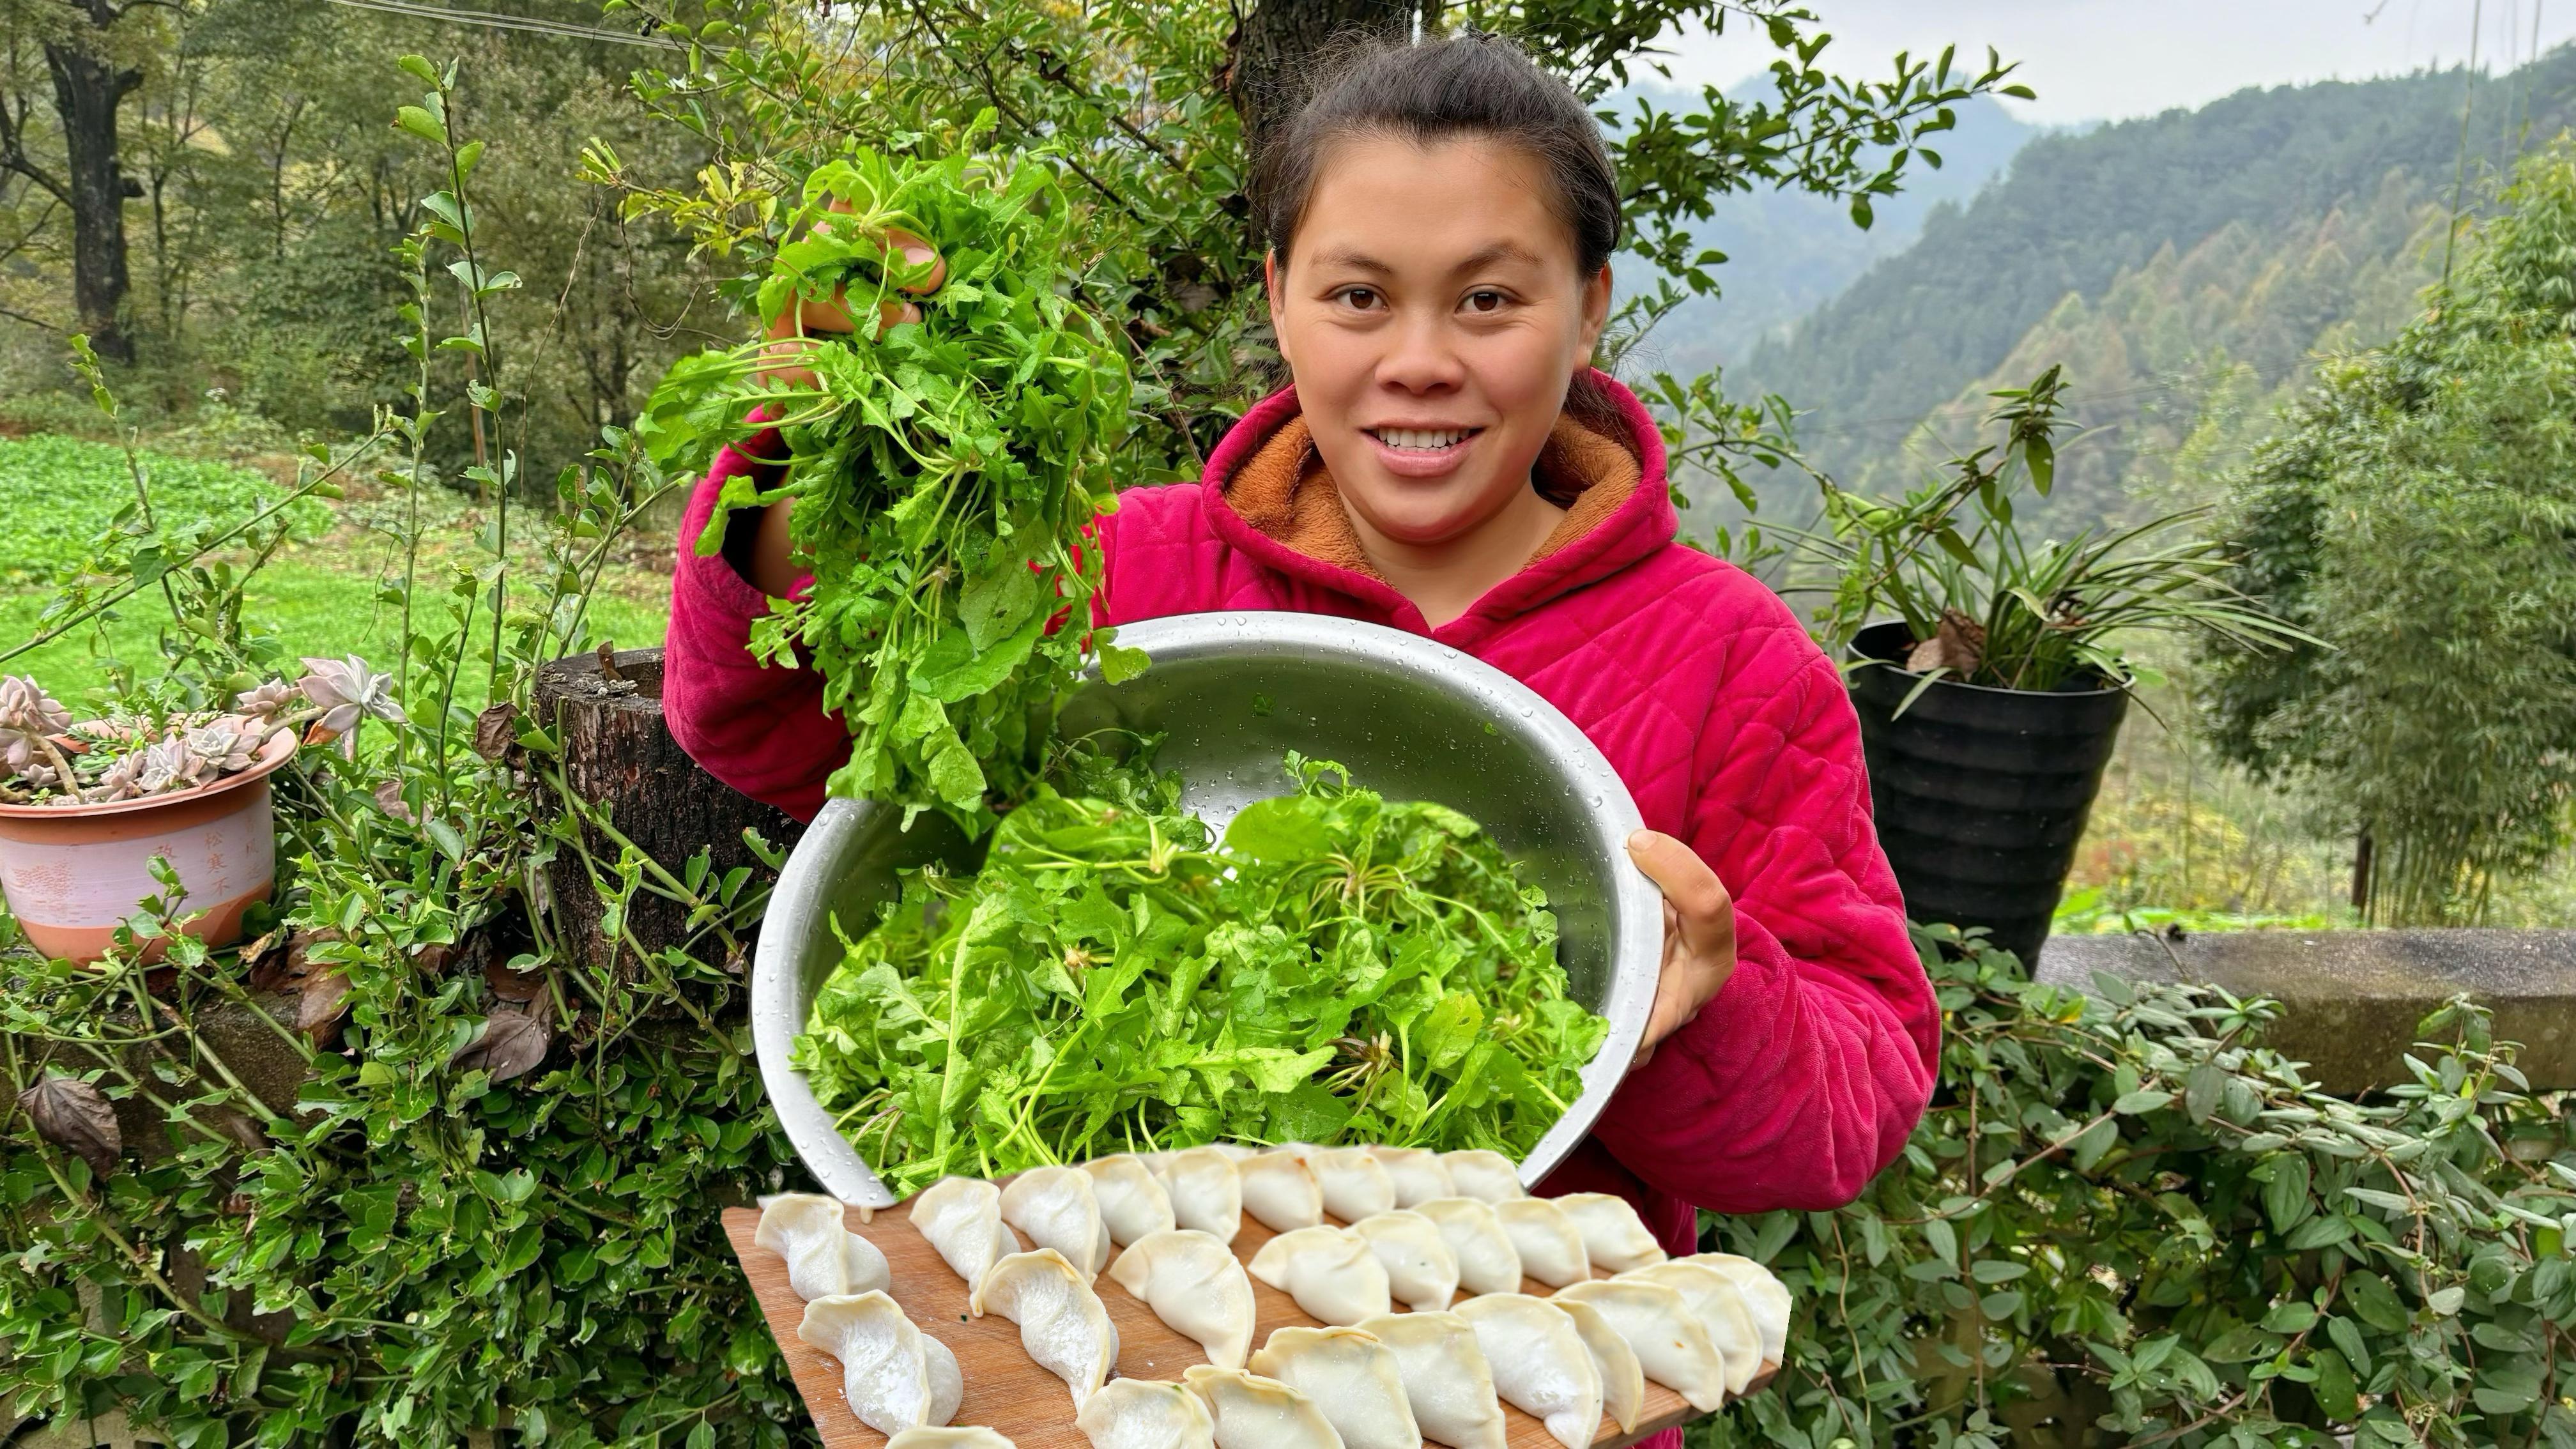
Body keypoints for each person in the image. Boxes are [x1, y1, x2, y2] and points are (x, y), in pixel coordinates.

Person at [667, 33, 1935, 1276]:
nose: (1422, 362)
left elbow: (1847, 1115)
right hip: (1133, 1379)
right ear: (1278, 299)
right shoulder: (1120, 574)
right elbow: (783, 725)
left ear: (1590, 307)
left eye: (1489, 299)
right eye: (1359, 296)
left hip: (1523, 1400)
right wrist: (820, 453)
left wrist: (1707, 1006)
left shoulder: (1729, 662)